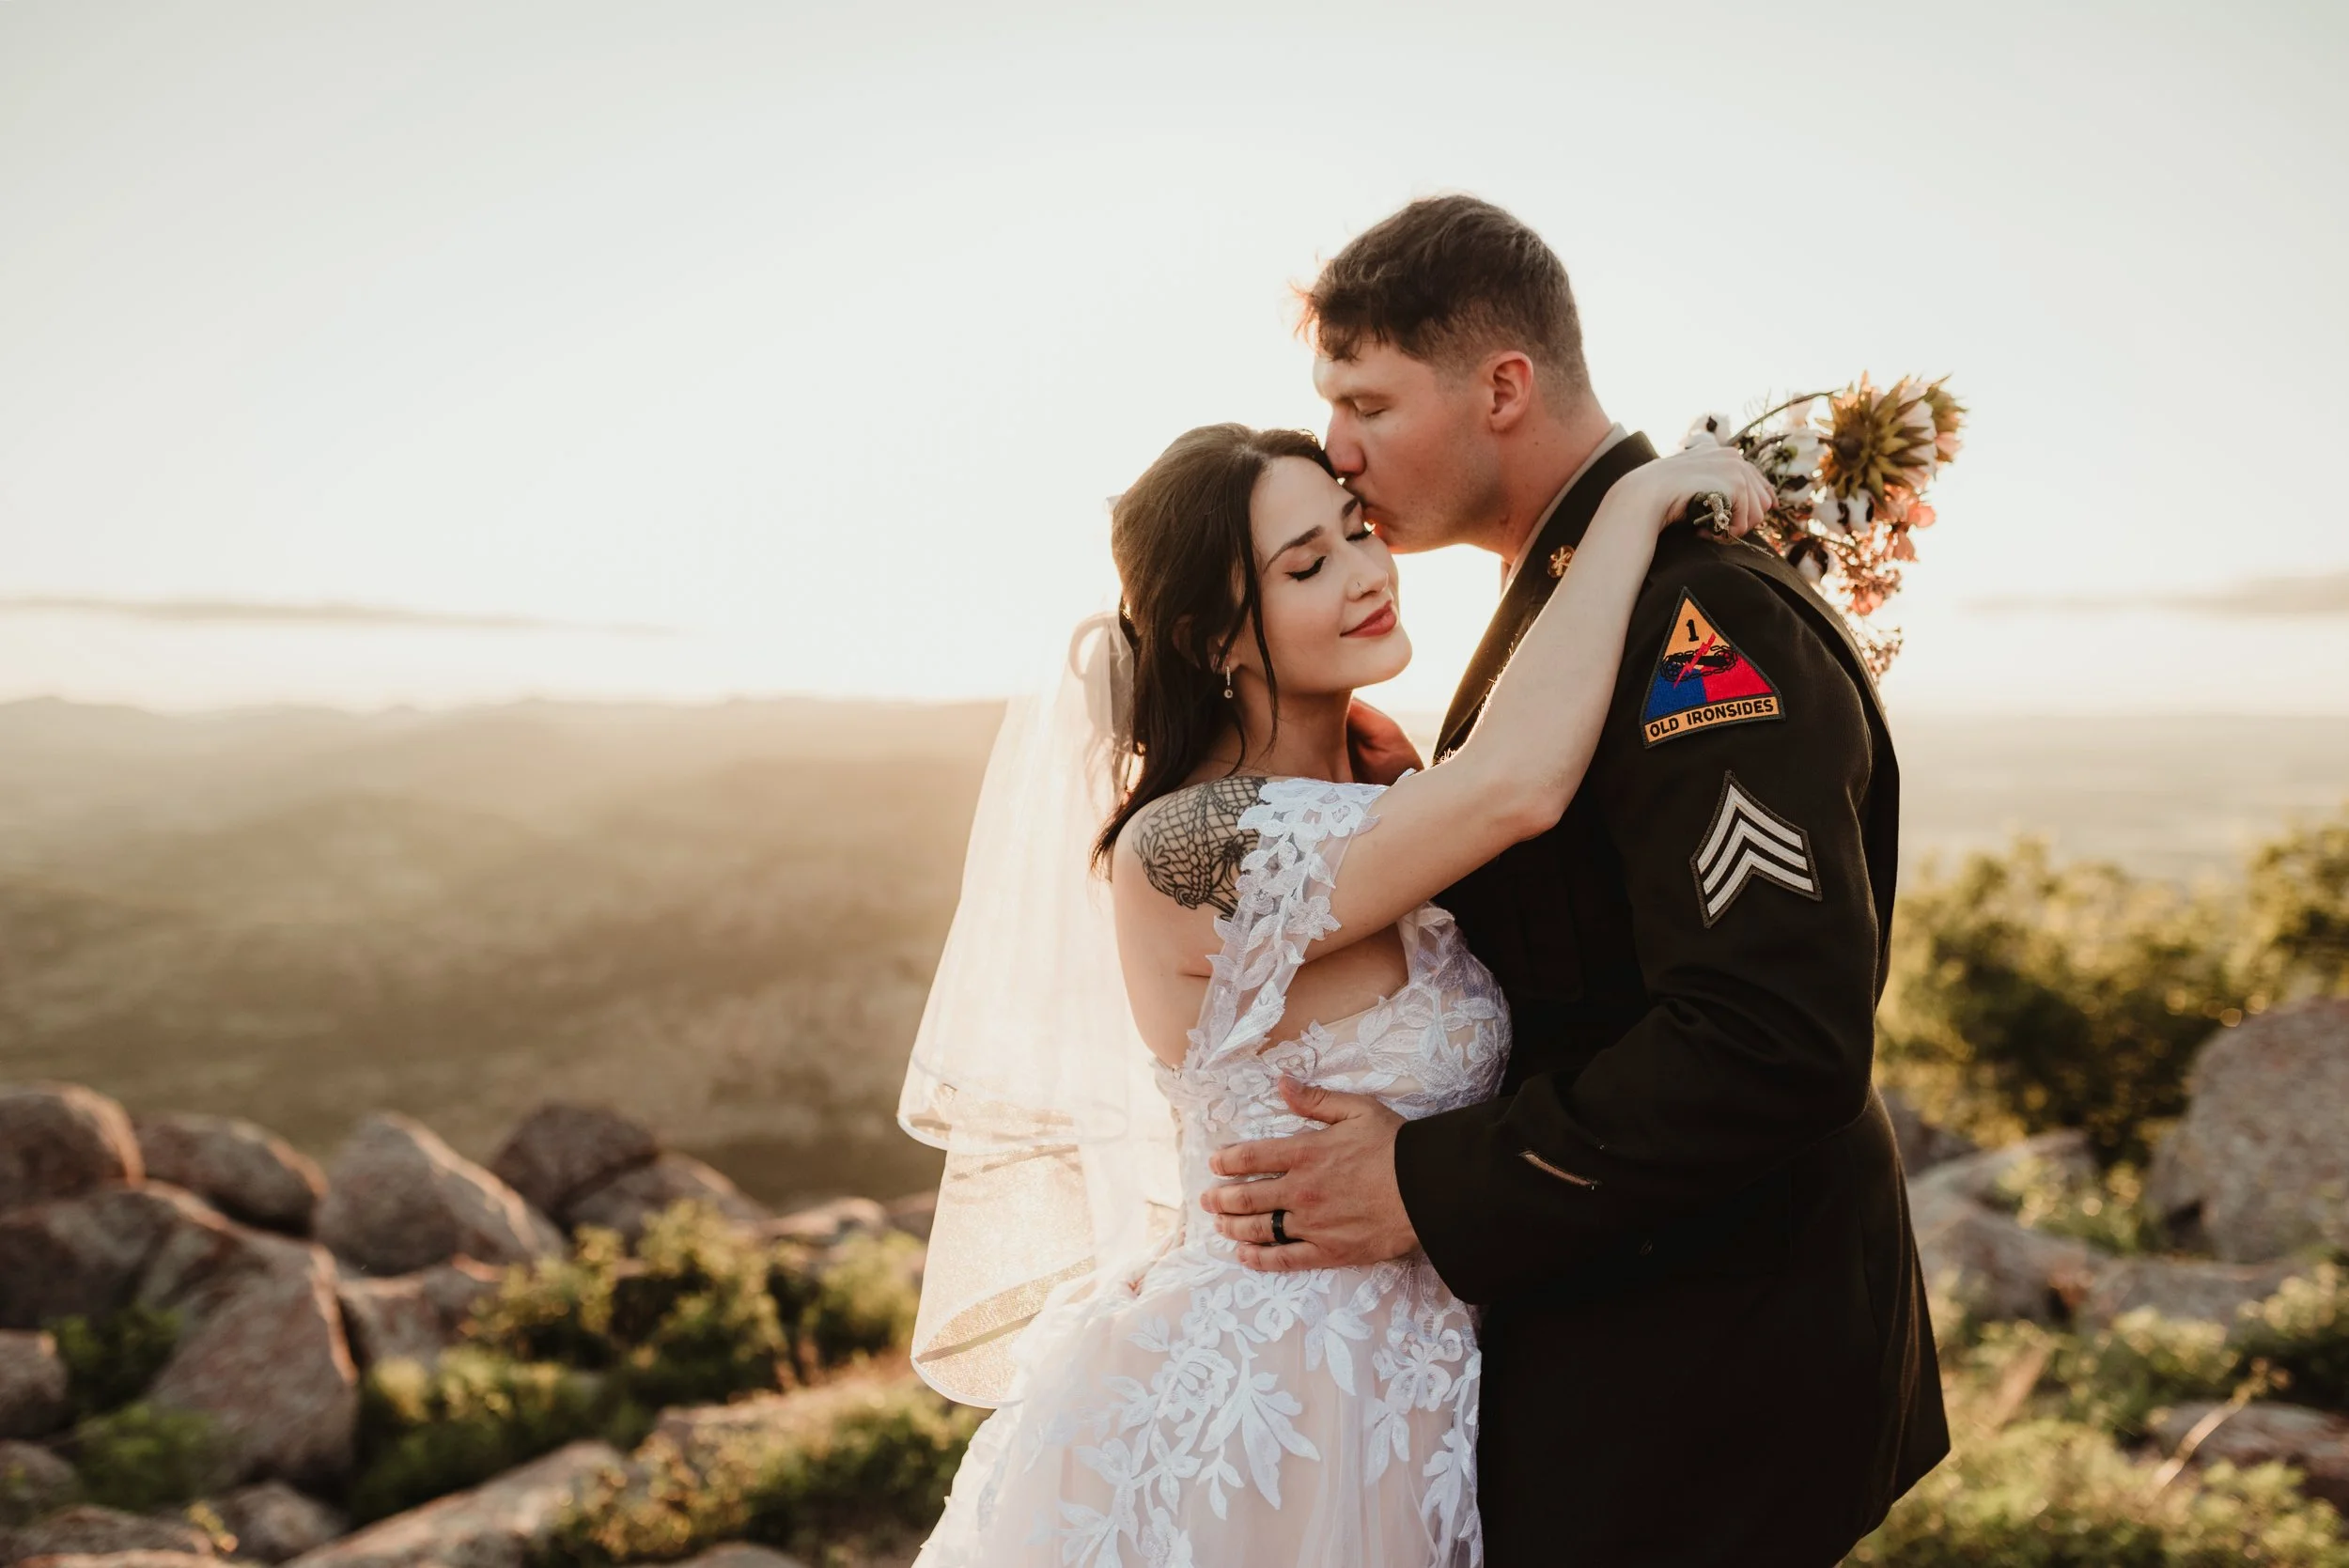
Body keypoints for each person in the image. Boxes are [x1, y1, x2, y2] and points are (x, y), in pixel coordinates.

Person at [1197, 195, 1950, 1565]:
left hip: (1707, 1349)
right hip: (1638, 1303)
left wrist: (1428, 1184)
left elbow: (1775, 1037)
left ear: (1503, 387)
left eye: (1367, 403)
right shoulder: (1583, 601)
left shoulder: (1693, 625)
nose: (1339, 455)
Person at [907, 416, 1772, 1567]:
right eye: (1308, 565)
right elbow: (1516, 784)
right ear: (1209, 634)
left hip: (1423, 1385)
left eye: (1357, 530)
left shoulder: (1384, 797)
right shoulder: (1185, 845)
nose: (1366, 573)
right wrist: (1629, 506)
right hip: (1269, 1399)